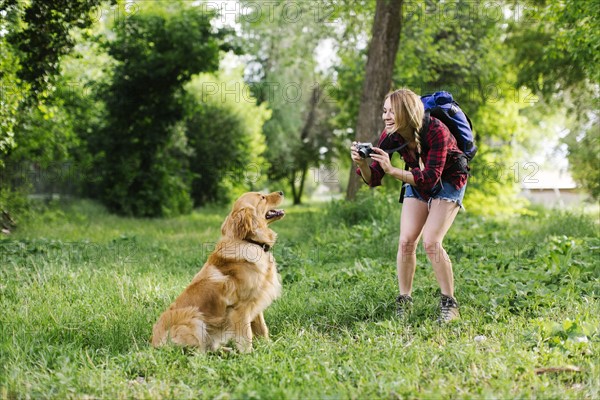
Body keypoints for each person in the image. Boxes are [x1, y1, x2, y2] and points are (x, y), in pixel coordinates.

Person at [350, 88, 469, 323]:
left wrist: (393, 170)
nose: (386, 117)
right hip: (417, 178)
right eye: (384, 111)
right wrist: (363, 164)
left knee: (432, 242)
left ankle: (449, 303)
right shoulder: (390, 135)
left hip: (448, 179)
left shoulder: (436, 130)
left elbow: (430, 178)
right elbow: (374, 178)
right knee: (406, 242)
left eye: (392, 112)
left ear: (407, 112)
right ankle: (404, 300)